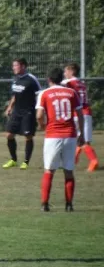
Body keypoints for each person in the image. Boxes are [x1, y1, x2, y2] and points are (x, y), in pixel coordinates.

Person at [36, 67, 84, 212]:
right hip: (70, 134)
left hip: (53, 135)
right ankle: (69, 204)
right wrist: (81, 133)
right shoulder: (71, 92)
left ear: (49, 79)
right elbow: (80, 114)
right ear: (61, 79)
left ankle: (45, 204)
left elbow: (39, 115)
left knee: (49, 170)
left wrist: (42, 126)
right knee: (68, 171)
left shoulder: (45, 93)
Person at [3, 58, 41, 170]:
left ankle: (26, 162)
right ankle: (13, 160)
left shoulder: (31, 79)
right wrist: (9, 107)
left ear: (23, 66)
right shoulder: (16, 79)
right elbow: (14, 95)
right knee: (9, 135)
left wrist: (39, 110)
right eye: (13, 66)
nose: (13, 68)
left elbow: (40, 94)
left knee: (28, 136)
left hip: (28, 112)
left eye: (16, 65)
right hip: (16, 111)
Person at [62, 63, 99, 172]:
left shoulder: (68, 82)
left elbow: (58, 87)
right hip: (87, 112)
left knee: (81, 140)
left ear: (71, 71)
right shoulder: (82, 83)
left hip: (77, 114)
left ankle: (93, 160)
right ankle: (74, 160)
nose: (64, 74)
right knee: (82, 139)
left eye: (65, 71)